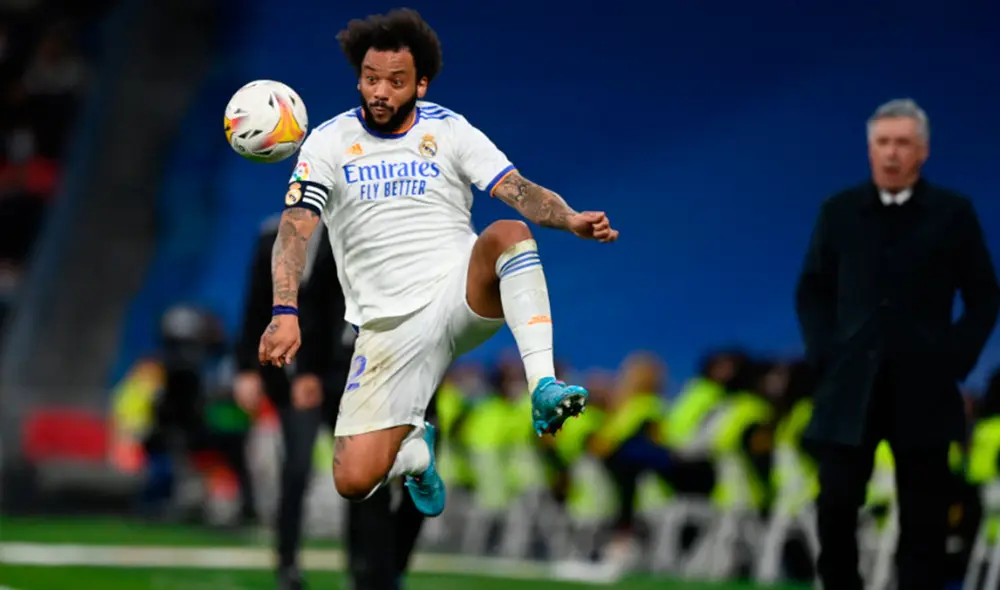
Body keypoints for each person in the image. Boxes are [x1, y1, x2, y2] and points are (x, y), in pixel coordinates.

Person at [257, 8, 618, 517]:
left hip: (455, 294)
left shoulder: (449, 130)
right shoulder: (328, 143)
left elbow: (519, 191)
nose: (380, 92)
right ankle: (415, 452)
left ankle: (542, 385)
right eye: (370, 78)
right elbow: (295, 229)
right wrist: (284, 311)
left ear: (421, 84)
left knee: (509, 233)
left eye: (396, 81)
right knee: (353, 480)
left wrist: (571, 219)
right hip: (384, 328)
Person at [795, 98, 1000, 590]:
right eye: (882, 142)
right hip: (849, 388)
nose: (891, 153)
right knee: (835, 506)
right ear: (870, 149)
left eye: (903, 143)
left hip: (924, 389)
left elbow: (984, 296)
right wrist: (825, 354)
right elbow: (812, 290)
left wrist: (954, 358)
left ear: (923, 151)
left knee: (924, 519)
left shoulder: (952, 214)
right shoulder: (839, 212)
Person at [235, 218, 424, 589]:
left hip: (344, 372)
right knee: (297, 468)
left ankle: (361, 568)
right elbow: (256, 301)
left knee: (361, 473)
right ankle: (287, 563)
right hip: (295, 373)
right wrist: (247, 368)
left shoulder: (356, 232)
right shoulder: (272, 235)